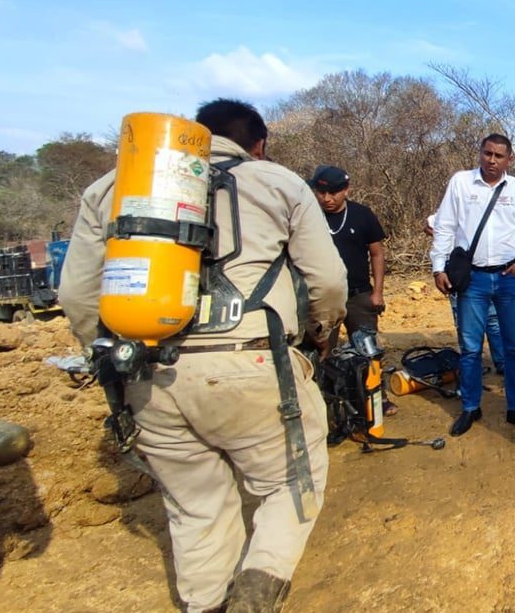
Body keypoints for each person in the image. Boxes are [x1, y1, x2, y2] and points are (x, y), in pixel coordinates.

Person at [58, 99, 347, 611]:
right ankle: (258, 586)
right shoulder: (277, 182)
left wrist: (105, 360)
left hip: (148, 373)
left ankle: (206, 603)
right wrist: (321, 331)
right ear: (258, 145)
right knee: (290, 483)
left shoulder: (112, 187)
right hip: (253, 363)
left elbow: (78, 295)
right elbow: (327, 280)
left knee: (195, 509)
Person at [430, 134, 515, 437]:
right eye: (487, 153)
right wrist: (438, 267)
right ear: (480, 153)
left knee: (514, 347)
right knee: (470, 347)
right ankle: (470, 407)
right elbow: (444, 226)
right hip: (473, 279)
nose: (492, 160)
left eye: (499, 156)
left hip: (509, 279)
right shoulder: (461, 183)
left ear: (509, 160)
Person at [308, 165, 386, 353]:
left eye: (333, 193)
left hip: (358, 294)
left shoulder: (362, 215)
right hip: (323, 296)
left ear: (346, 190)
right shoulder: (309, 217)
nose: (326, 198)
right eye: (321, 192)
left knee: (367, 350)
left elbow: (377, 254)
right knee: (321, 352)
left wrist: (377, 293)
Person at [424, 214, 505, 374]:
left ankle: (501, 361)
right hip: (457, 267)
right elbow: (429, 224)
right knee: (465, 320)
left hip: (482, 266)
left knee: (492, 318)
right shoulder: (451, 209)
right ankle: (474, 364)